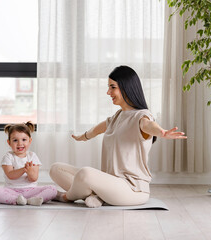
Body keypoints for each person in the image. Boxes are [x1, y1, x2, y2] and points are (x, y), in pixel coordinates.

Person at [49, 65, 187, 208]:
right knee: (56, 169)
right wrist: (83, 136)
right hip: (110, 183)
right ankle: (95, 196)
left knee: (85, 174)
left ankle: (65, 197)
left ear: (126, 87)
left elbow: (147, 125)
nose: (108, 92)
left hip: (132, 189)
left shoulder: (141, 115)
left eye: (112, 87)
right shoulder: (118, 116)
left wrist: (162, 132)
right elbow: (99, 128)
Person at [0, 122, 57, 206]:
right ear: (9, 142)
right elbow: (10, 175)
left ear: (30, 141)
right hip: (12, 190)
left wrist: (30, 172)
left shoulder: (32, 156)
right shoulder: (8, 157)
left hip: (31, 190)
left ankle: (33, 199)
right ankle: (17, 200)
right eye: (15, 140)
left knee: (53, 189)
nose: (20, 143)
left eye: (24, 140)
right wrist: (24, 169)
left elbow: (34, 179)